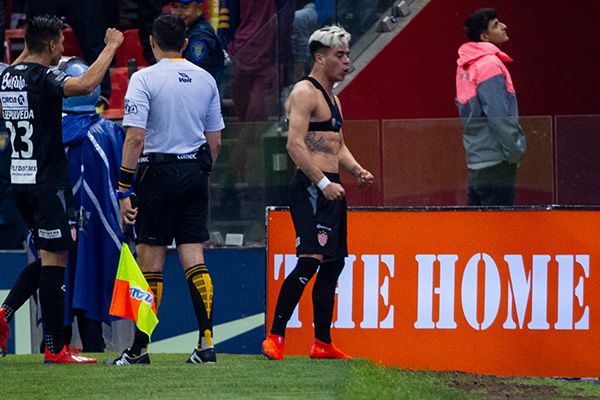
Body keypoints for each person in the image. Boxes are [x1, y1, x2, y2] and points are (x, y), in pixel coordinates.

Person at [0, 15, 123, 363]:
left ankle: (6, 316)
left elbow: (13, 70)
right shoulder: (45, 77)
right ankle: (55, 348)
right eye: (61, 43)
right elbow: (85, 85)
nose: (63, 50)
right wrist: (111, 46)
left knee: (51, 258)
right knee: (56, 261)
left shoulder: (9, 76)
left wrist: (25, 52)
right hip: (46, 181)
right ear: (51, 45)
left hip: (20, 179)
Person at [112, 14, 224, 365]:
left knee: (152, 261)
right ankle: (206, 343)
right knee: (194, 257)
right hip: (194, 170)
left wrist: (124, 189)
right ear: (186, 44)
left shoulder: (143, 79)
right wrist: (199, 169)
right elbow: (215, 140)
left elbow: (135, 137)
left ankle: (139, 349)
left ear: (151, 42)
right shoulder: (206, 79)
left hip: (156, 173)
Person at [262, 25, 374, 361]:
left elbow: (336, 146)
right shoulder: (304, 93)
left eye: (347, 55)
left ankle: (322, 342)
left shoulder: (334, 99)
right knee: (310, 260)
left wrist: (356, 170)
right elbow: (294, 145)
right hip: (313, 187)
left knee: (333, 264)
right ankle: (275, 336)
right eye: (339, 55)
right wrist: (323, 184)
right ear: (319, 56)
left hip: (332, 189)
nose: (346, 61)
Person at [59, 57, 125, 352]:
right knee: (90, 281)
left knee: (56, 281)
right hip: (95, 229)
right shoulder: (108, 132)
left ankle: (55, 348)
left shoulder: (50, 131)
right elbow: (123, 184)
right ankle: (94, 347)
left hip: (56, 223)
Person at [455, 8, 526, 206]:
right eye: (496, 24)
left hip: (475, 162)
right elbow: (499, 116)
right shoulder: (490, 65)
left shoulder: (464, 68)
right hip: (497, 163)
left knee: (479, 233)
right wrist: (515, 152)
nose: (504, 26)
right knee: (500, 232)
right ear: (484, 36)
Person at [171, 0, 225, 81]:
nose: (178, 13)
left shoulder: (199, 36)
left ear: (199, 8)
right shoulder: (188, 29)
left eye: (185, 7)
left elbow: (193, 75)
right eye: (175, 7)